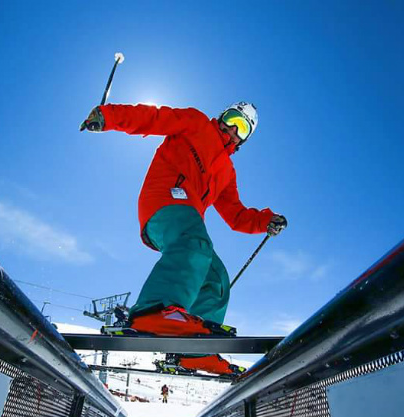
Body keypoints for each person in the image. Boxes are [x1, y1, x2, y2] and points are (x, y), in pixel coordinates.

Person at [82, 102, 287, 375]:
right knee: (196, 243)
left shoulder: (227, 172)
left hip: (187, 223)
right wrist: (108, 116)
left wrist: (265, 221)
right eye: (234, 119)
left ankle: (194, 351)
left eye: (244, 128)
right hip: (163, 200)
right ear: (223, 115)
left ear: (245, 139)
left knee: (216, 278)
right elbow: (152, 118)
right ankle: (153, 313)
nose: (234, 129)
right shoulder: (195, 123)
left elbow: (236, 214)